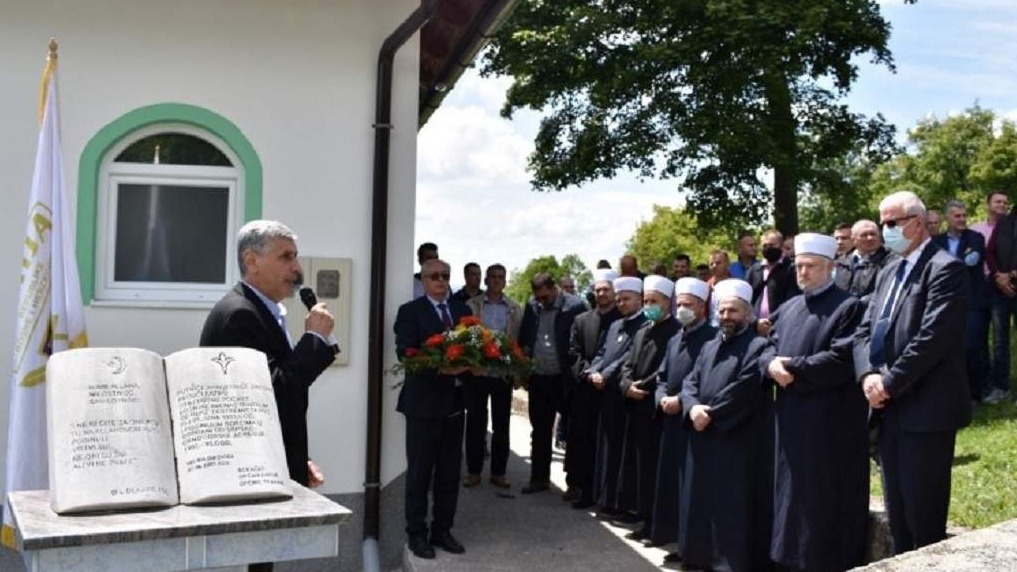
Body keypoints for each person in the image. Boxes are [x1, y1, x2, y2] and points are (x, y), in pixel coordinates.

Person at [200, 220, 337, 572]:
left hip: (264, 464)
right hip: (244, 475)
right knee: (257, 560)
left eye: (296, 257)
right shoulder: (239, 315)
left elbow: (278, 393)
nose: (297, 268)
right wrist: (314, 340)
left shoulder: (258, 309)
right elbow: (275, 392)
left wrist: (293, 457)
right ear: (252, 261)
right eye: (286, 257)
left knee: (263, 560)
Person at [853, 191, 971, 555]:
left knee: (924, 517)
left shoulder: (945, 268)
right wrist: (868, 375)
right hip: (888, 409)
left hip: (926, 409)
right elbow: (864, 330)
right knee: (897, 515)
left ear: (917, 223)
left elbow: (932, 339)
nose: (884, 230)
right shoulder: (889, 269)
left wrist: (889, 382)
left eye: (891, 223)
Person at [763, 233, 868, 572]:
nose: (802, 273)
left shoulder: (849, 307)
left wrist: (791, 367)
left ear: (830, 268)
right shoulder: (789, 307)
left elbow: (841, 360)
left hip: (829, 423)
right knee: (789, 498)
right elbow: (766, 347)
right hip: (790, 418)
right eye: (799, 266)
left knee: (821, 501)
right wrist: (769, 364)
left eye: (810, 267)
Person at [678, 279, 773, 572]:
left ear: (746, 314)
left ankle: (727, 564)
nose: (726, 317)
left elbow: (745, 389)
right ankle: (698, 556)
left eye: (733, 311)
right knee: (699, 501)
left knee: (731, 505)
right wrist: (692, 406)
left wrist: (713, 414)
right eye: (722, 311)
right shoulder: (708, 346)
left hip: (736, 438)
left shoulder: (758, 347)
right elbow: (690, 381)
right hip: (702, 433)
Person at [394, 258, 472, 559]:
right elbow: (406, 353)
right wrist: (442, 369)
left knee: (450, 473)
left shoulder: (462, 312)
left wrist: (476, 366)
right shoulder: (410, 312)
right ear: (423, 280)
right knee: (420, 474)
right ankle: (416, 534)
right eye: (434, 276)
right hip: (423, 406)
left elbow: (475, 347)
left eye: (445, 276)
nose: (441, 281)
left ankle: (443, 530)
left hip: (454, 405)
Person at [650, 277, 716, 563]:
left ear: (702, 307)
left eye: (688, 305)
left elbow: (703, 380)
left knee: (694, 489)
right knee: (674, 487)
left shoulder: (712, 338)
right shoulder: (676, 338)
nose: (682, 310)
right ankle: (678, 540)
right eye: (680, 304)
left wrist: (681, 401)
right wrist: (661, 398)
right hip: (670, 421)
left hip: (694, 422)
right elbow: (663, 376)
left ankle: (694, 548)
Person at [617, 275, 681, 541]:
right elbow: (627, 364)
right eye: (646, 301)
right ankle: (642, 518)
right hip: (634, 406)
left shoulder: (675, 332)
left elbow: (664, 370)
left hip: (654, 407)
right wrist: (626, 384)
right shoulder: (643, 330)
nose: (649, 306)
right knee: (639, 467)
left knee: (655, 469)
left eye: (654, 301)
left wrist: (642, 386)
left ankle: (657, 524)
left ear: (668, 302)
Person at [518, 273, 587, 493]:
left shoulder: (575, 306)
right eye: (537, 297)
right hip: (538, 377)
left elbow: (584, 340)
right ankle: (539, 478)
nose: (541, 301)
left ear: (554, 288)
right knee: (539, 430)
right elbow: (525, 336)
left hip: (564, 379)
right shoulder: (532, 306)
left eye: (545, 297)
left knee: (573, 433)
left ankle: (574, 483)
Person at [589, 276, 646, 517]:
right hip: (606, 396)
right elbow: (602, 352)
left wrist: (605, 374)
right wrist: (593, 370)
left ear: (639, 299)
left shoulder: (644, 326)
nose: (621, 303)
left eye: (626, 299)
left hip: (623, 397)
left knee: (620, 453)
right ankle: (604, 497)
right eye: (619, 299)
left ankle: (619, 503)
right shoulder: (615, 325)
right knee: (605, 449)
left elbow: (627, 357)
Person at [463, 264, 522, 489]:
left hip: (502, 373)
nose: (497, 281)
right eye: (493, 277)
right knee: (476, 423)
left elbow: (518, 344)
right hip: (478, 372)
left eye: (501, 277)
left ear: (505, 281)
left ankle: (499, 472)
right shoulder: (472, 306)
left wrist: (517, 373)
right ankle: (474, 471)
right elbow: (464, 337)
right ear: (485, 281)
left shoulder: (515, 309)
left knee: (501, 425)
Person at [566, 269, 621, 507]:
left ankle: (608, 496)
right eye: (597, 290)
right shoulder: (581, 320)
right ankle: (584, 490)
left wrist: (604, 376)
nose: (601, 294)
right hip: (585, 392)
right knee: (584, 444)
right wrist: (588, 373)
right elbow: (572, 353)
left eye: (606, 290)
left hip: (612, 392)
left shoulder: (623, 321)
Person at [932, 200, 988, 406]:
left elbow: (971, 261)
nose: (962, 219)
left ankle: (975, 393)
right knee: (946, 346)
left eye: (964, 215)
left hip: (972, 300)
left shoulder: (976, 238)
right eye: (957, 216)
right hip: (945, 302)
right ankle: (952, 391)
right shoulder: (935, 241)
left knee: (972, 346)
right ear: (948, 218)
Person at [977, 190, 1014, 404]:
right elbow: (987, 254)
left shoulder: (1011, 224)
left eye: (1006, 202)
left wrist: (1009, 275)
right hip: (991, 289)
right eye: (998, 201)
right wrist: (999, 276)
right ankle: (998, 385)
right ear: (988, 204)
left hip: (1010, 282)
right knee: (996, 339)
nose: (1002, 205)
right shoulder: (980, 229)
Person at [834, 219, 899, 303]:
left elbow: (887, 290)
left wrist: (859, 303)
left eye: (873, 234)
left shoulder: (891, 260)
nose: (870, 238)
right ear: (853, 239)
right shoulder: (841, 262)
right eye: (864, 235)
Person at [746, 229, 800, 322]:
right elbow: (747, 298)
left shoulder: (791, 268)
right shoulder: (754, 270)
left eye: (771, 245)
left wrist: (771, 319)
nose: (768, 248)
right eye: (764, 245)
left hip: (782, 323)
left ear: (781, 246)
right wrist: (754, 321)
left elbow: (792, 299)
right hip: (756, 325)